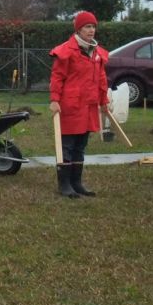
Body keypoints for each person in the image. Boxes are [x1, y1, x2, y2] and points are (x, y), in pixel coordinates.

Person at [49, 11, 109, 198]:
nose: (91, 30)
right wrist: (54, 100)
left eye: (93, 27)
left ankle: (76, 183)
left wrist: (104, 101)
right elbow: (57, 77)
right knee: (67, 146)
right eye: (87, 27)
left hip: (89, 107)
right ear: (78, 29)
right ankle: (64, 184)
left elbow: (101, 79)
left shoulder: (97, 53)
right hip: (70, 106)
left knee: (80, 146)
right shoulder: (66, 51)